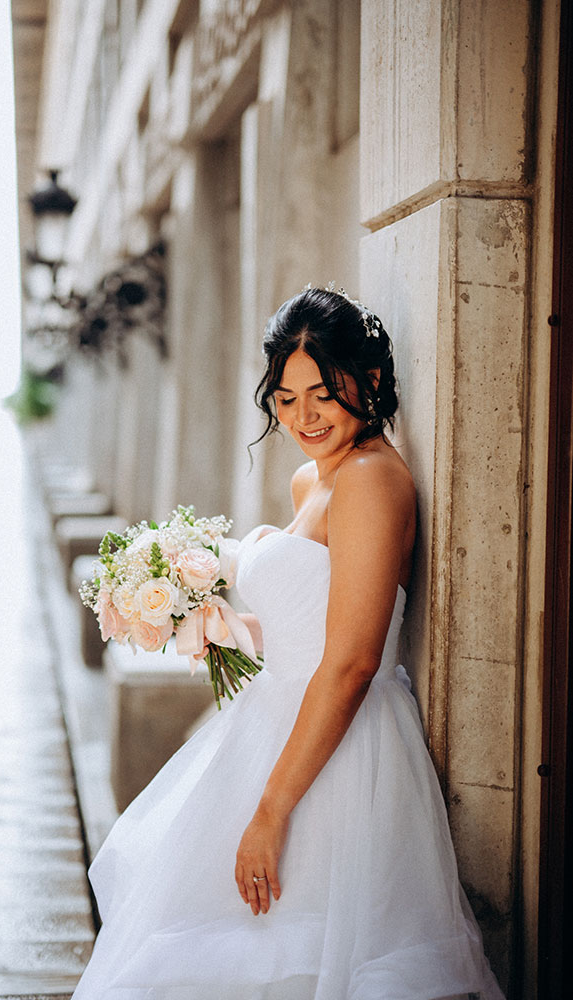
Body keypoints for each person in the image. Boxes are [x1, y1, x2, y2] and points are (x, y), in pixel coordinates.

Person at [72, 286, 505, 999]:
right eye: (285, 396)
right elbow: (316, 622)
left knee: (296, 955)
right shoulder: (315, 477)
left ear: (367, 382)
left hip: (337, 753)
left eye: (323, 394)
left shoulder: (371, 479)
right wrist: (230, 627)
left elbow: (354, 661)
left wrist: (271, 811)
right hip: (273, 720)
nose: (302, 417)